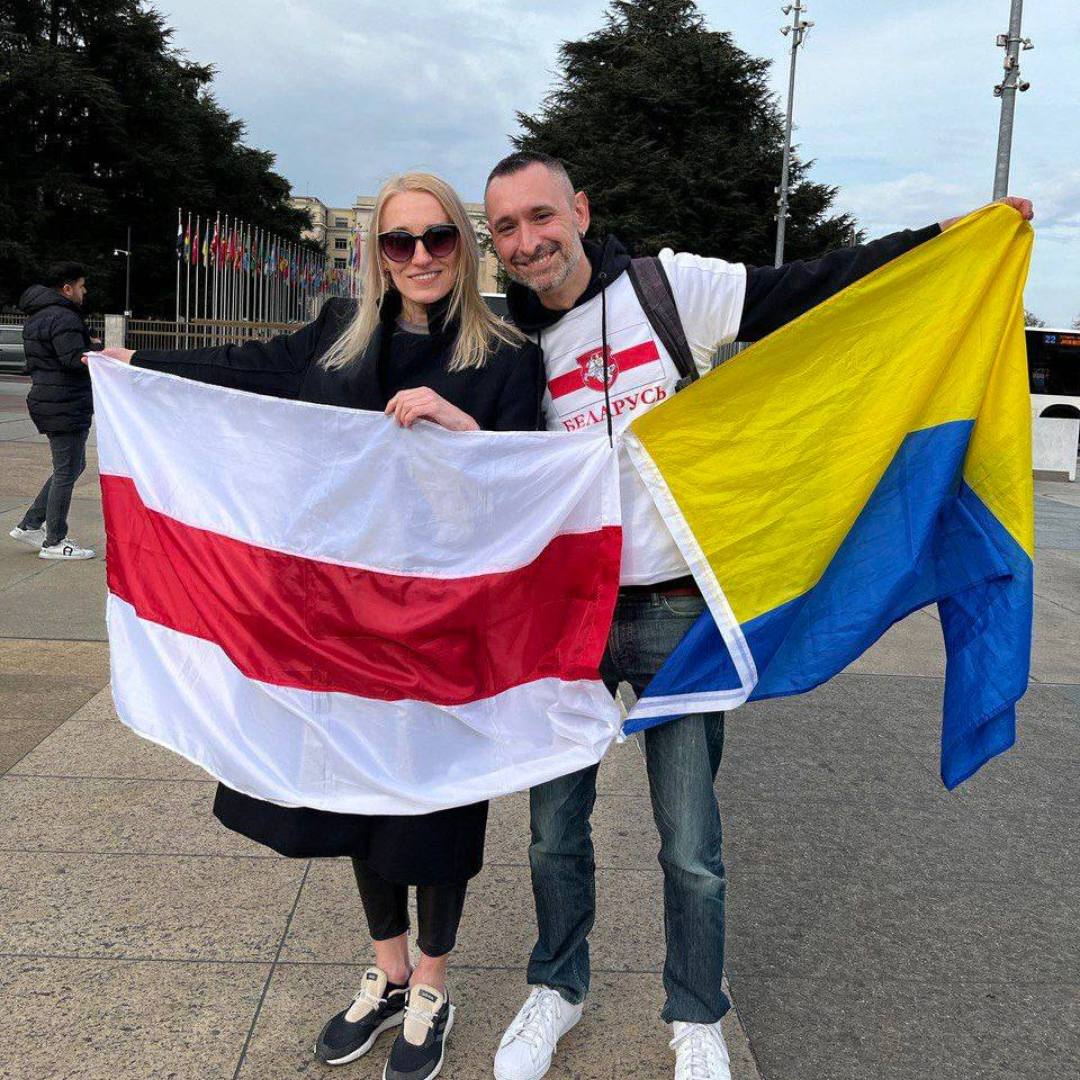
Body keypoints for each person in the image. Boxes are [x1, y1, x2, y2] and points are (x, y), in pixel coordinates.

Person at [483, 150, 1035, 1080]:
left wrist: (944, 241)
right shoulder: (503, 343)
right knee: (550, 831)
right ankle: (557, 988)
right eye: (506, 227)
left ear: (579, 210)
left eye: (541, 216)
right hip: (562, 617)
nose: (528, 241)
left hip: (675, 610)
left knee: (690, 843)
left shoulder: (667, 289)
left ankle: (697, 1012)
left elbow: (811, 288)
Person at [97, 173, 545, 1080]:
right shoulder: (341, 332)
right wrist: (134, 367)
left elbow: (525, 491)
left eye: (437, 238)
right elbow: (248, 369)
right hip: (343, 621)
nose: (419, 256)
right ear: (378, 254)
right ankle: (387, 971)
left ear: (463, 246)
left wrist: (461, 430)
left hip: (444, 623)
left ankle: (432, 986)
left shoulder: (506, 354)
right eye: (398, 241)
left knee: (436, 807)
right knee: (356, 798)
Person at [10, 262, 99, 560]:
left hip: (50, 399)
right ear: (67, 288)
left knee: (72, 466)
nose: (84, 291)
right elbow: (72, 359)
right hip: (64, 402)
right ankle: (55, 541)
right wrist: (96, 352)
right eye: (82, 286)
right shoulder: (64, 317)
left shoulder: (38, 316)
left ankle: (30, 525)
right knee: (67, 470)